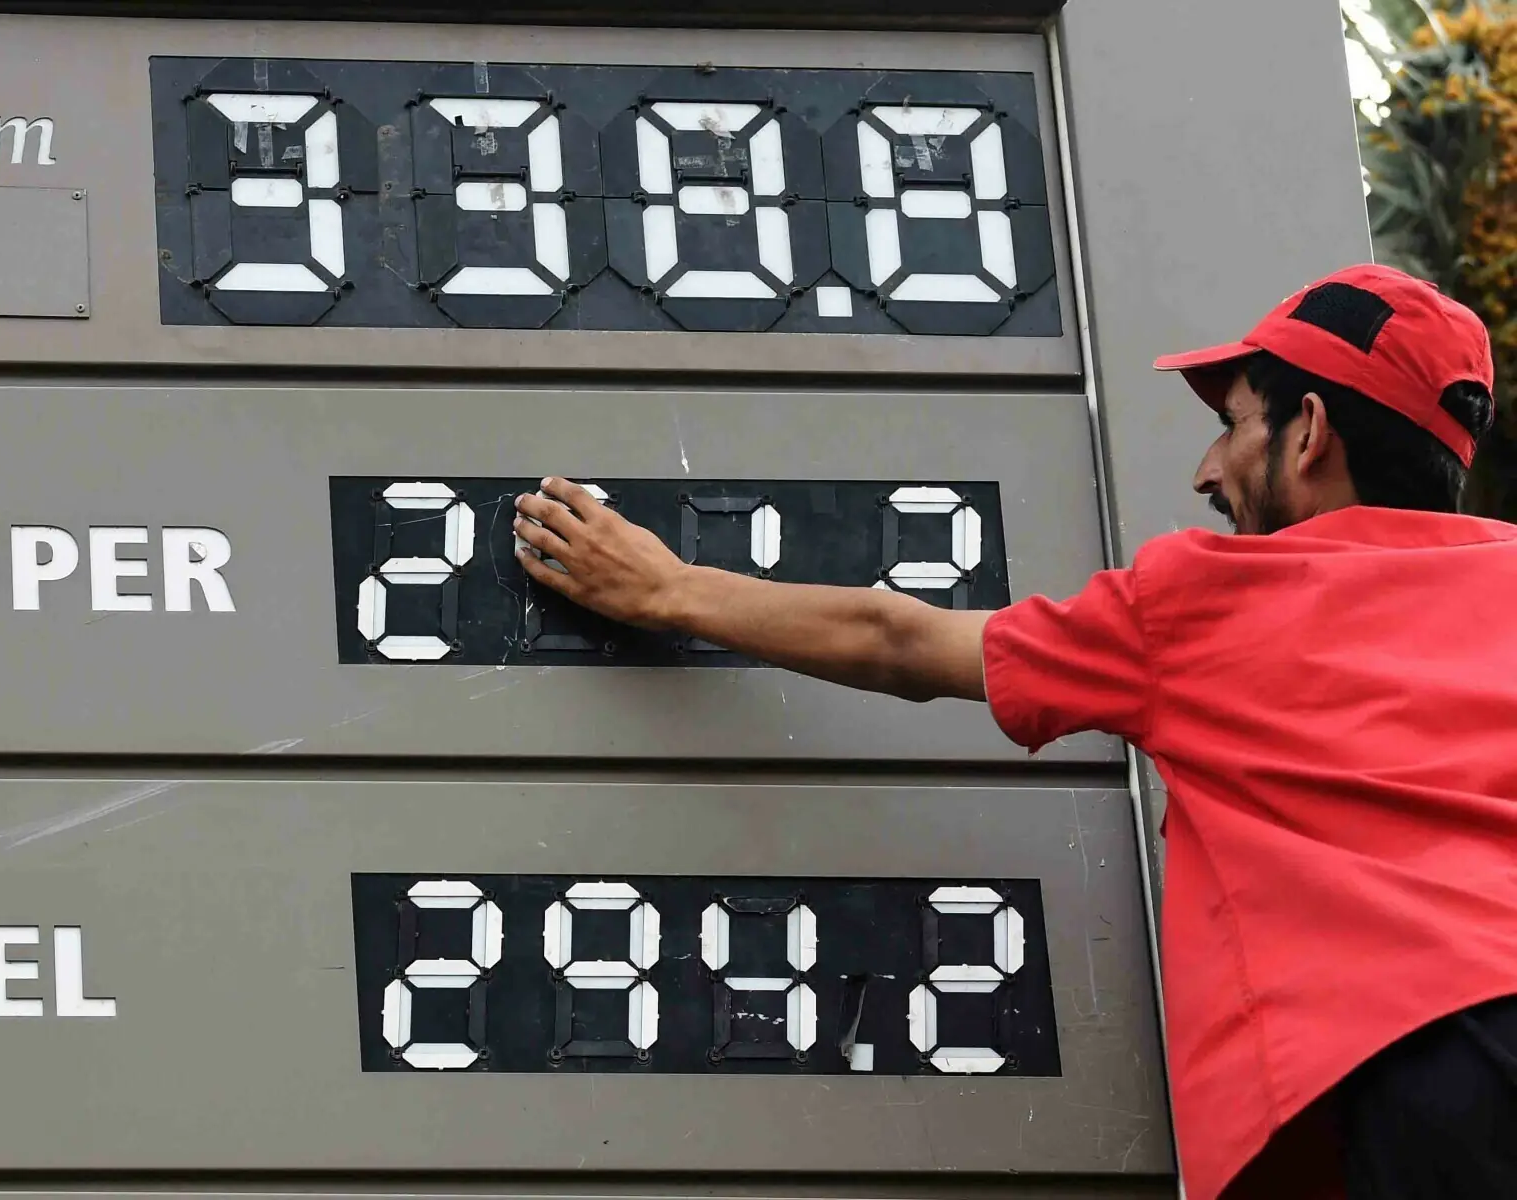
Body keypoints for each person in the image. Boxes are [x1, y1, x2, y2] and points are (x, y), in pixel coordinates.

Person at [511, 262, 1517, 1200]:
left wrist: (671, 588)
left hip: (1432, 1055)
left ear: (1306, 430)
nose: (1208, 467)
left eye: (1231, 420)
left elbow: (897, 639)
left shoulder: (1208, 604)